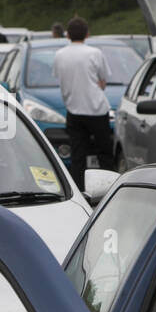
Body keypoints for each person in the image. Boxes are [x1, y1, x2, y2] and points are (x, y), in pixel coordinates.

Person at [53, 16, 113, 190]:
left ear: (67, 35)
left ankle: (79, 189)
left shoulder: (59, 55)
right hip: (97, 110)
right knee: (104, 153)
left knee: (78, 155)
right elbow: (103, 81)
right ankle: (108, 188)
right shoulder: (95, 53)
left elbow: (60, 77)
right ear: (87, 34)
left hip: (73, 110)